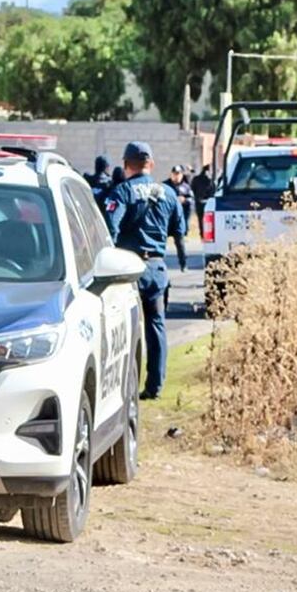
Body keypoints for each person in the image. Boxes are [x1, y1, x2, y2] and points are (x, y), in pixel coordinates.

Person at [104, 142, 187, 400]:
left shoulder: (122, 192)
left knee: (122, 329)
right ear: (150, 164)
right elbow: (180, 232)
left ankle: (121, 388)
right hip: (156, 268)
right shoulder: (169, 193)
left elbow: (110, 229)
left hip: (128, 269)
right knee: (156, 325)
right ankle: (155, 386)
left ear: (126, 165)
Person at [165, 165, 194, 232]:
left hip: (182, 212)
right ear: (171, 174)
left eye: (178, 174)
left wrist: (184, 200)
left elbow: (192, 199)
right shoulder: (165, 185)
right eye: (175, 174)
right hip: (169, 212)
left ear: (182, 175)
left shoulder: (186, 186)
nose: (176, 176)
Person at [190, 164, 213, 238]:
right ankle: (206, 234)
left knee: (201, 219)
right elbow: (212, 190)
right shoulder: (210, 180)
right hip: (208, 202)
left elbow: (192, 188)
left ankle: (202, 234)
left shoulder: (196, 179)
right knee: (209, 219)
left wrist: (197, 196)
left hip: (199, 201)